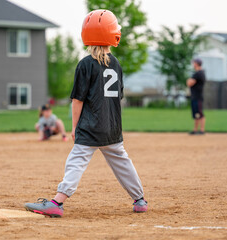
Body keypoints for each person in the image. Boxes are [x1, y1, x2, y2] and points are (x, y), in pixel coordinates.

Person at [24, 10, 147, 218]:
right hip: (112, 126)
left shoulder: (86, 63)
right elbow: (118, 97)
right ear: (112, 35)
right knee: (122, 162)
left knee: (76, 161)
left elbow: (78, 100)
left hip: (91, 126)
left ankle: (57, 202)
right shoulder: (116, 64)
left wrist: (74, 127)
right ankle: (140, 199)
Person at [186, 58, 206, 135]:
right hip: (195, 96)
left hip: (198, 96)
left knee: (200, 113)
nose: (193, 64)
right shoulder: (198, 73)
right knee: (196, 114)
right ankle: (195, 129)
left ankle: (202, 130)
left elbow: (189, 83)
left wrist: (189, 80)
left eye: (194, 63)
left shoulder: (199, 73)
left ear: (197, 64)